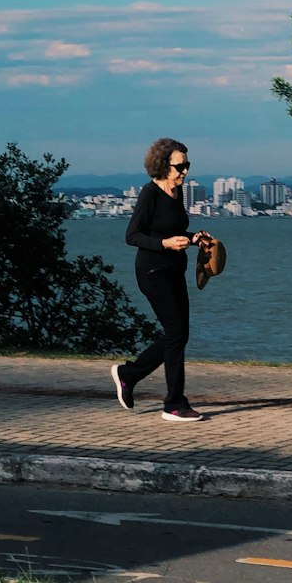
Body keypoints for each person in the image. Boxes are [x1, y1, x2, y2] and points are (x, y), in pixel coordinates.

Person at [111, 137, 209, 422]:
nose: (185, 171)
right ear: (164, 165)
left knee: (178, 334)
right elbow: (133, 236)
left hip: (174, 270)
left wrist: (194, 239)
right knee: (176, 332)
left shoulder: (178, 193)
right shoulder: (149, 194)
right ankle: (174, 404)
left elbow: (174, 231)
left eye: (187, 165)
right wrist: (164, 244)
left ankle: (128, 374)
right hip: (152, 271)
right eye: (180, 166)